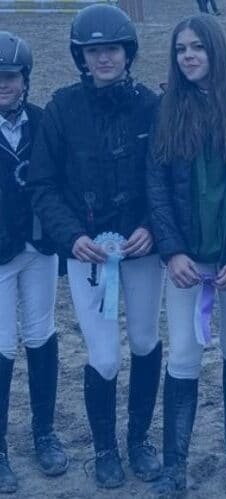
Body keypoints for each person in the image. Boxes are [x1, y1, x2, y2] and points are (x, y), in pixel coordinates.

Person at [27, 4, 163, 488]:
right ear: (80, 56)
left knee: (145, 341)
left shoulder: (151, 105)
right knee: (104, 355)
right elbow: (42, 185)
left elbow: (163, 177)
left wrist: (152, 224)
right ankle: (105, 449)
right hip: (89, 252)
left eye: (111, 49)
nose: (103, 58)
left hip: (142, 248)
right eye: (93, 50)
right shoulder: (62, 109)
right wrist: (73, 237)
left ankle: (140, 440)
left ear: (127, 53)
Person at [144, 14, 226, 494]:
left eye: (198, 47)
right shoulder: (168, 109)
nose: (188, 55)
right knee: (183, 356)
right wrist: (172, 251)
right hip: (187, 258)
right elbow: (156, 185)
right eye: (181, 47)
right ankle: (173, 468)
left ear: (214, 51)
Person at [0, 31, 68, 494]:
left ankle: (44, 432)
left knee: (40, 334)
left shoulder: (44, 121)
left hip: (39, 249)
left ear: (24, 78)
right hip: (0, 254)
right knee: (2, 344)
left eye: (9, 76)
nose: (2, 83)